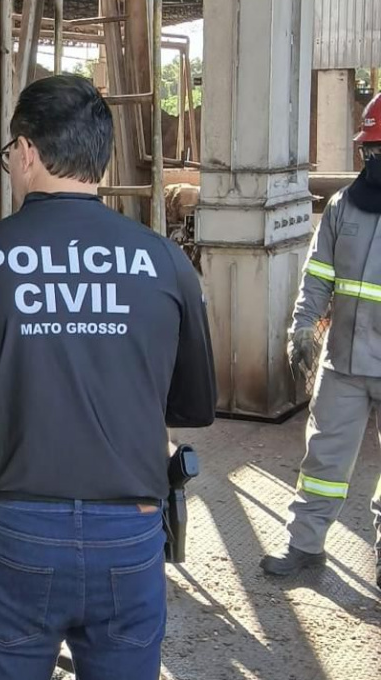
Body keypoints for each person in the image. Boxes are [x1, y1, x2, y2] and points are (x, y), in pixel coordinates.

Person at [0, 75, 217, 680]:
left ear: (25, 151)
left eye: (7, 156)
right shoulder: (164, 261)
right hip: (129, 534)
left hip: (17, 534)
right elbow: (195, 405)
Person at [262, 92, 381, 590]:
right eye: (369, 152)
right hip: (344, 364)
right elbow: (317, 278)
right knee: (323, 461)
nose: (371, 161)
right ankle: (305, 547)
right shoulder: (343, 206)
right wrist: (302, 330)